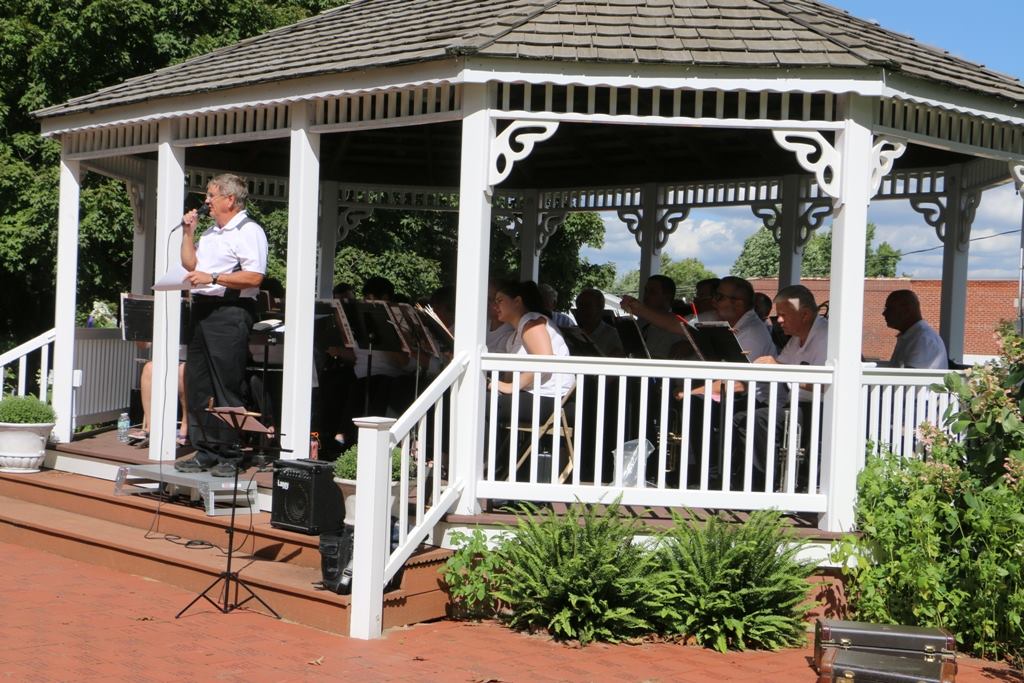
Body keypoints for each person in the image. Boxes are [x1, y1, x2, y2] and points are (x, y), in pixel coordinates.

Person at [175, 173, 268, 476]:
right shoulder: (210, 233)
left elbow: (254, 276)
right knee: (197, 383)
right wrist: (188, 233)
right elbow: (191, 265)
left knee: (225, 384)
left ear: (229, 199)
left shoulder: (249, 230)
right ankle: (205, 450)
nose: (206, 201)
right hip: (202, 309)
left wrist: (213, 278)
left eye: (211, 195)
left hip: (230, 311)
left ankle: (230, 454)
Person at [732, 284, 828, 490]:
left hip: (819, 409)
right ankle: (748, 480)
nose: (779, 320)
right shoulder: (796, 338)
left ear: (804, 315)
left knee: (759, 418)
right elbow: (779, 367)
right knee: (741, 417)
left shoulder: (825, 337)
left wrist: (777, 367)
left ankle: (766, 485)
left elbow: (822, 384)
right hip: (795, 405)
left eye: (784, 315)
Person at [492, 280, 574, 426]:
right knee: (479, 398)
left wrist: (510, 387)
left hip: (553, 399)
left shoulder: (531, 322)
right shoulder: (514, 336)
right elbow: (508, 377)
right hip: (536, 395)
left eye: (500, 300)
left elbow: (545, 361)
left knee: (480, 404)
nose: (494, 306)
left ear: (517, 301)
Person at [619, 274, 685, 358]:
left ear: (667, 296)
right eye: (646, 291)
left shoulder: (677, 329)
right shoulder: (641, 322)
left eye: (652, 292)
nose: (646, 296)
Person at [129, 360, 189, 447]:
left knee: (183, 370)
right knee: (149, 367)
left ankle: (185, 428)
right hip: (171, 362)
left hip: (191, 363)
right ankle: (151, 427)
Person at [883, 290, 947, 369]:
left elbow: (910, 376)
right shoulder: (912, 336)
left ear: (907, 310)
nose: (884, 313)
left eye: (889, 308)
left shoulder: (923, 339)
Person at [573, 288, 625, 357]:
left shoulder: (613, 335)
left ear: (600, 308)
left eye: (587, 306)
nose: (582, 310)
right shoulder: (573, 333)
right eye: (579, 305)